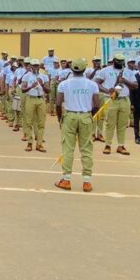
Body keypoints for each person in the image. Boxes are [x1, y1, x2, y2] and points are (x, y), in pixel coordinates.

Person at [55, 58, 100, 192]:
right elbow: (97, 105)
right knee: (86, 148)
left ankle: (66, 179)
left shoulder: (64, 84)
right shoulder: (92, 85)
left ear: (71, 69)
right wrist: (89, 116)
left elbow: (58, 103)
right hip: (85, 115)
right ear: (85, 69)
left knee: (68, 148)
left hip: (70, 115)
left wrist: (60, 118)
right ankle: (87, 181)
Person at [96, 54, 136, 155]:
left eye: (122, 61)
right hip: (110, 99)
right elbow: (96, 83)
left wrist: (124, 81)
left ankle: (121, 146)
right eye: (118, 61)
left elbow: (135, 86)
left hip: (124, 99)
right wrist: (106, 90)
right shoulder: (105, 70)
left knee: (122, 125)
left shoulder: (128, 72)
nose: (120, 63)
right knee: (110, 123)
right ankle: (108, 145)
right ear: (114, 61)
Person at [20, 59, 48, 152]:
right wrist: (31, 87)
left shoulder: (44, 76)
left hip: (41, 99)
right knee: (28, 121)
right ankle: (29, 143)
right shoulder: (26, 76)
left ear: (39, 66)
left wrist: (43, 85)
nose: (36, 67)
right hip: (30, 98)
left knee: (41, 122)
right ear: (31, 66)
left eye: (37, 65)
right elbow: (23, 89)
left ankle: (39, 144)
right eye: (34, 65)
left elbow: (49, 90)